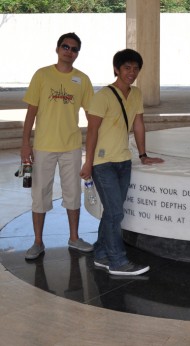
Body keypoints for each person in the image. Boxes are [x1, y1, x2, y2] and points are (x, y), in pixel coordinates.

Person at [80, 49, 164, 276]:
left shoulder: (135, 94)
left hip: (124, 161)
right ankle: (118, 262)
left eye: (136, 69)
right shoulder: (102, 96)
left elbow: (138, 125)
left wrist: (143, 155)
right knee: (116, 213)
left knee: (112, 212)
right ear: (116, 69)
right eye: (127, 68)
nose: (132, 72)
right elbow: (92, 132)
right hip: (103, 163)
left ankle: (100, 253)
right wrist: (88, 163)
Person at [21, 32, 94, 260]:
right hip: (43, 146)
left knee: (73, 194)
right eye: (65, 46)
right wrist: (25, 144)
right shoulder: (42, 75)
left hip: (71, 146)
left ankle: (74, 238)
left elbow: (92, 115)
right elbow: (31, 112)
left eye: (74, 49)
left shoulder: (82, 79)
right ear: (57, 49)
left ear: (77, 54)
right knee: (40, 194)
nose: (69, 51)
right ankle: (38, 242)